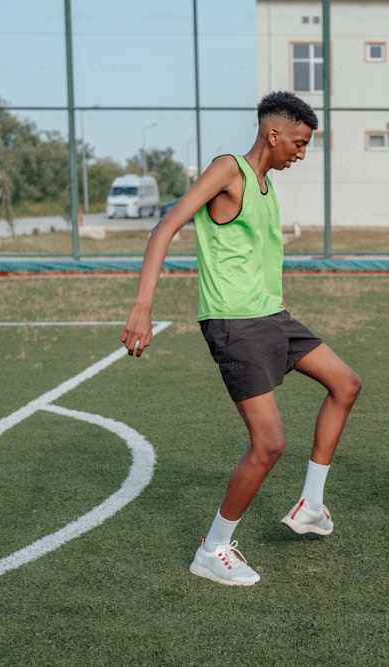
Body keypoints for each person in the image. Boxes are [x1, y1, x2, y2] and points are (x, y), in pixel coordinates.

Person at [120, 91, 362, 586]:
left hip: (274, 318)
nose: (301, 152)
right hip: (235, 324)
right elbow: (165, 226)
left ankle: (311, 504)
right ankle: (212, 550)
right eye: (297, 142)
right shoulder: (228, 170)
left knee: (346, 384)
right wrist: (142, 307)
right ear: (273, 134)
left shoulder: (266, 187)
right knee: (269, 444)